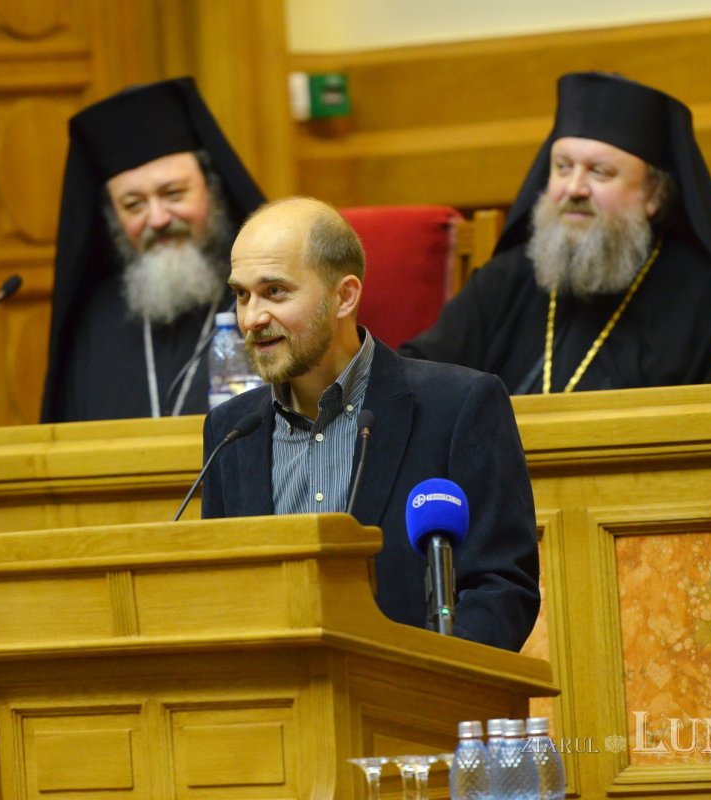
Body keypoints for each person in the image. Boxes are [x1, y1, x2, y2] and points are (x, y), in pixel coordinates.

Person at [200, 197, 540, 651]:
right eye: (242, 294)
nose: (252, 318)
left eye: (275, 292)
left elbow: (501, 589)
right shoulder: (230, 431)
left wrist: (432, 684)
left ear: (345, 296)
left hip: (416, 707)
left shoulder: (459, 406)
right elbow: (221, 597)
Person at [401, 71, 711, 393]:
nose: (574, 188)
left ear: (653, 195)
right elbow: (414, 379)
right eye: (563, 167)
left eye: (600, 172)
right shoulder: (507, 279)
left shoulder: (701, 296)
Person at [41, 77, 265, 422]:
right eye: (134, 205)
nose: (158, 219)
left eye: (174, 194)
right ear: (113, 217)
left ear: (211, 188)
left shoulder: (266, 298)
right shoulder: (96, 321)